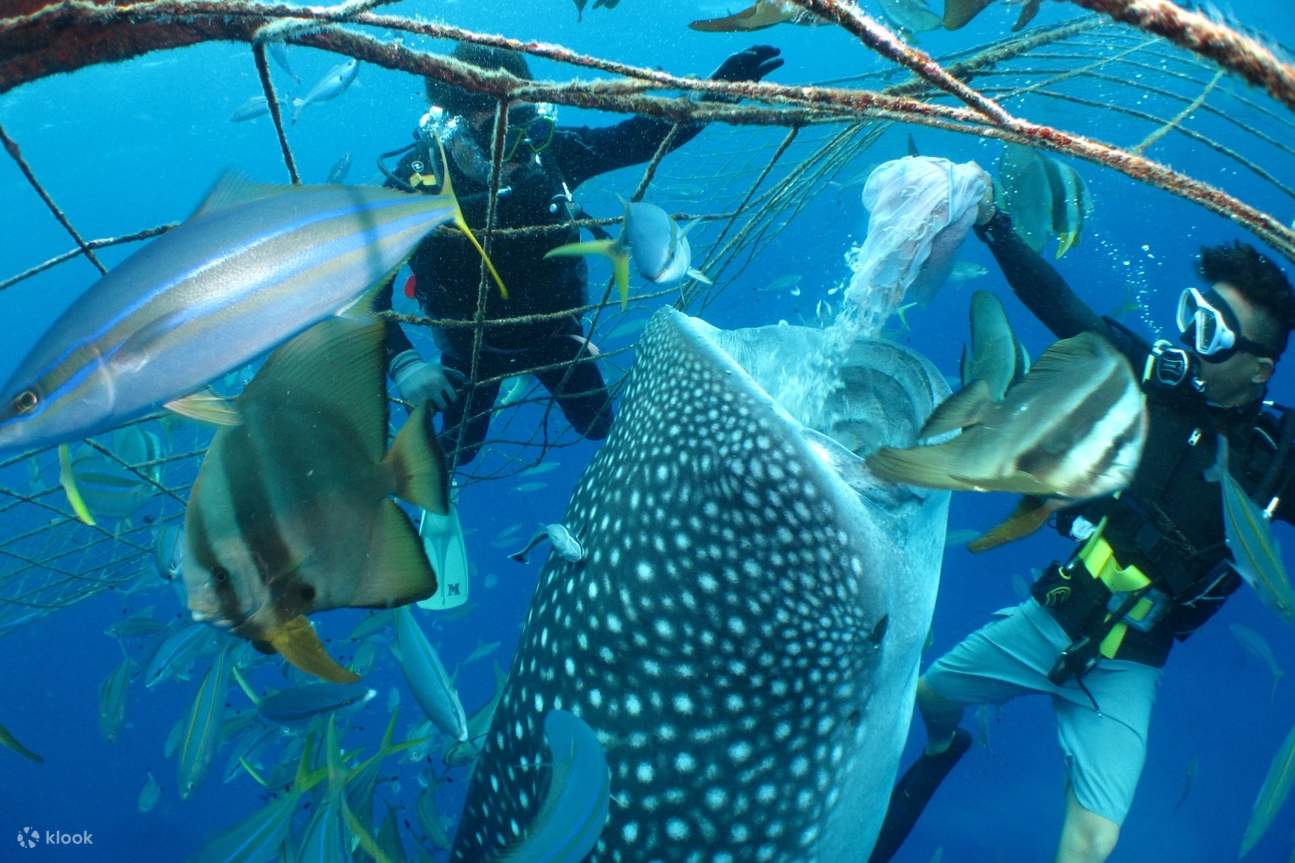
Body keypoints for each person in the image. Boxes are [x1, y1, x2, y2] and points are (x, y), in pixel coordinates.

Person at [869, 194, 1295, 863]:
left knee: (1092, 841)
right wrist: (993, 227)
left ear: (1259, 367)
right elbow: (1063, 308)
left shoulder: (1277, 463)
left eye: (1210, 332)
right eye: (1192, 313)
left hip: (1130, 665)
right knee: (930, 695)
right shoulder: (1152, 382)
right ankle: (942, 746)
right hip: (1052, 612)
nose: (1187, 339)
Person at [377, 42, 784, 464]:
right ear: (456, 127)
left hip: (555, 335)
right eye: (504, 132)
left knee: (598, 427)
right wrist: (405, 363)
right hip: (469, 349)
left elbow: (641, 138)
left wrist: (715, 91)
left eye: (530, 126)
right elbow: (366, 291)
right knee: (459, 452)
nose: (524, 149)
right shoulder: (412, 186)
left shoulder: (549, 155)